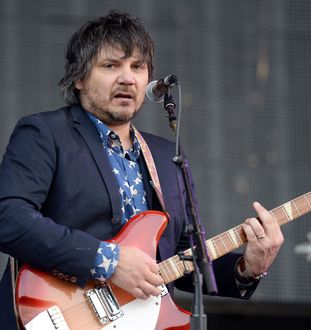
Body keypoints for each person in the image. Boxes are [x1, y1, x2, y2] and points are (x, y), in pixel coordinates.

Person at [0, 10, 284, 329]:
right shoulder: (46, 133)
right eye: (111, 66)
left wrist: (247, 267)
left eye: (138, 67)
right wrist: (109, 261)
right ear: (79, 78)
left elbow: (183, 260)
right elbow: (8, 218)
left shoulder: (166, 156)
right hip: (58, 313)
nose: (128, 78)